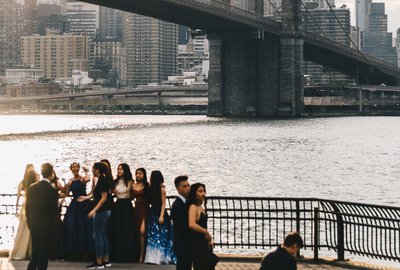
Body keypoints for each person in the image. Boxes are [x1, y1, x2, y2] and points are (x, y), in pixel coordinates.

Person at [26, 163, 58, 270]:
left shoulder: (31, 187)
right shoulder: (52, 190)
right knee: (44, 257)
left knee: (34, 255)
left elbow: (27, 208)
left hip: (34, 225)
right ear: (52, 174)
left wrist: (30, 224)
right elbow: (54, 212)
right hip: (47, 227)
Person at [60, 162, 91, 260]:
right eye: (73, 167)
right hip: (74, 205)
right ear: (71, 169)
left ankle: (84, 252)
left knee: (83, 227)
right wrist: (59, 198)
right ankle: (73, 251)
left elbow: (88, 179)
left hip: (83, 204)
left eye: (77, 167)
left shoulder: (82, 179)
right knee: (72, 227)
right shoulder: (70, 181)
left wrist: (86, 172)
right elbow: (66, 193)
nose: (75, 169)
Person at [144, 171, 176, 264]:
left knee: (160, 235)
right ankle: (153, 257)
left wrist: (161, 215)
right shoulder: (150, 188)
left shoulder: (161, 189)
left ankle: (160, 256)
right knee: (153, 235)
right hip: (152, 212)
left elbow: (163, 203)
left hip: (159, 212)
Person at [86, 162, 113, 269]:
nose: (92, 170)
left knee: (98, 236)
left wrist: (94, 210)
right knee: (103, 235)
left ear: (97, 170)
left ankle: (99, 261)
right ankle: (106, 259)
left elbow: (103, 198)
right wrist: (85, 197)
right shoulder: (105, 179)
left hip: (101, 211)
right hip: (106, 211)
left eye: (93, 169)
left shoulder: (102, 181)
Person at [110, 163, 137, 262]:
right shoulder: (115, 182)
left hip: (127, 205)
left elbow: (134, 192)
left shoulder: (130, 181)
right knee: (118, 229)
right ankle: (118, 254)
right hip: (118, 205)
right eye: (118, 169)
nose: (119, 171)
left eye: (121, 169)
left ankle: (129, 254)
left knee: (127, 228)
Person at [188, 183, 218, 270]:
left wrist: (209, 239)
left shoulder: (200, 207)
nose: (203, 194)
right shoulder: (193, 207)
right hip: (198, 244)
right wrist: (206, 232)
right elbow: (192, 224)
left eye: (204, 191)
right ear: (194, 193)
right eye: (200, 191)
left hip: (204, 244)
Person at [10, 169, 38, 260]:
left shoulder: (25, 185)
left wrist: (17, 206)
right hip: (31, 208)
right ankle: (30, 251)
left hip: (25, 207)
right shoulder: (34, 186)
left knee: (23, 230)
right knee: (29, 230)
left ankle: (23, 251)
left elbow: (18, 194)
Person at [170, 175, 191, 270]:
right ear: (178, 188)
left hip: (186, 244)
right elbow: (183, 226)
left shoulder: (187, 203)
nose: (188, 188)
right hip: (182, 244)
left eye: (188, 186)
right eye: (184, 186)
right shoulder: (177, 205)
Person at [131, 167, 149, 263]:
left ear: (144, 175)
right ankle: (138, 252)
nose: (138, 175)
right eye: (137, 173)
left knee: (143, 231)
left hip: (144, 209)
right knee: (137, 231)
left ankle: (143, 254)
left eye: (140, 173)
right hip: (136, 208)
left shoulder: (147, 185)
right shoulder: (133, 185)